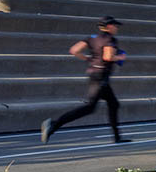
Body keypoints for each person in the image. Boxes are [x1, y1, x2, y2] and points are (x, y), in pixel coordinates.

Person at [41, 15, 129, 144]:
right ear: (109, 26)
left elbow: (74, 50)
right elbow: (108, 57)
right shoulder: (110, 39)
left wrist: (88, 59)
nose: (117, 28)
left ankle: (117, 137)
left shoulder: (92, 38)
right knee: (89, 108)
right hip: (101, 78)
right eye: (115, 26)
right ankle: (53, 125)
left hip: (94, 75)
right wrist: (120, 58)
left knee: (113, 104)